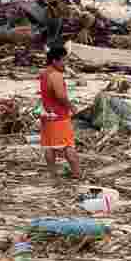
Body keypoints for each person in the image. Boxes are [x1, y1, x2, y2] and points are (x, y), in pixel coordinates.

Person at [39, 44, 81, 180]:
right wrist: (72, 107)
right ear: (54, 61)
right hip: (59, 116)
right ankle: (77, 174)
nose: (65, 64)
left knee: (49, 146)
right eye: (63, 60)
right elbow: (61, 96)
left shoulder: (45, 73)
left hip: (47, 115)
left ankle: (53, 174)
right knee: (68, 146)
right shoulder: (56, 75)